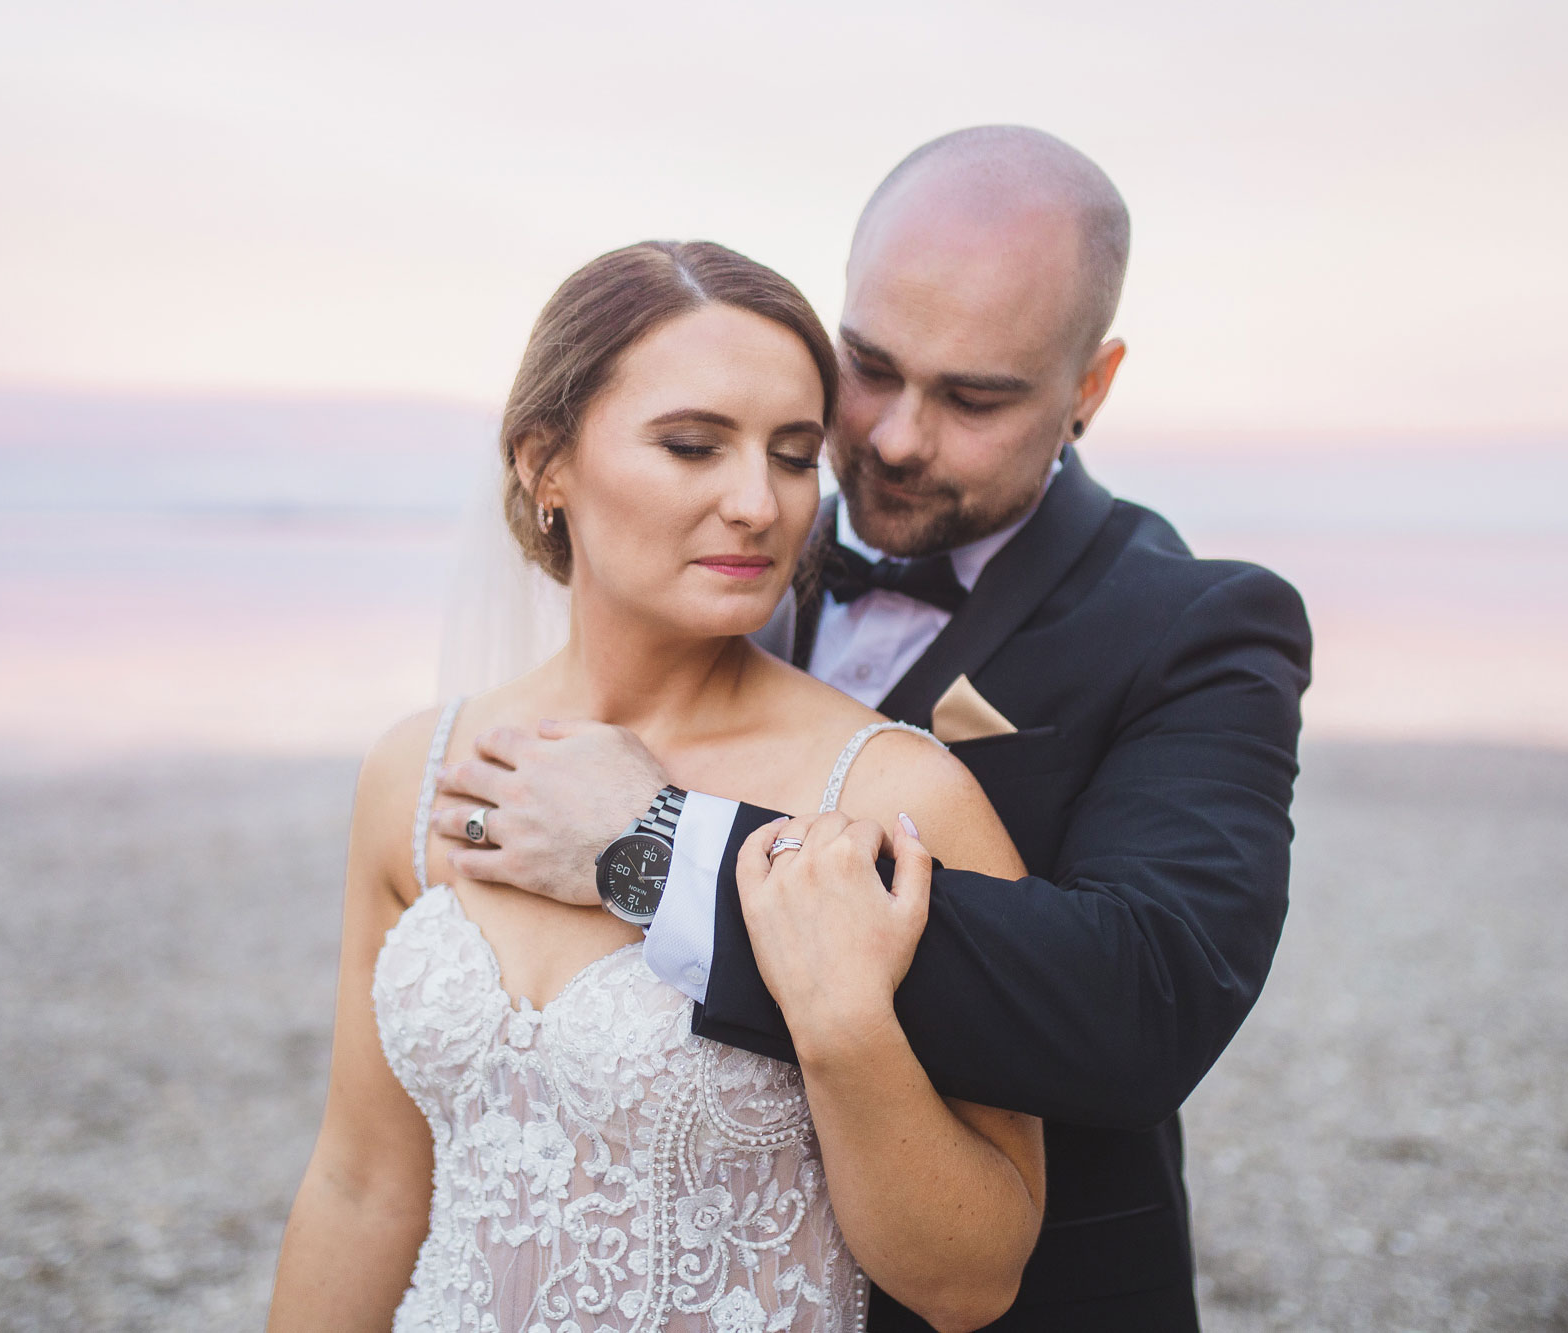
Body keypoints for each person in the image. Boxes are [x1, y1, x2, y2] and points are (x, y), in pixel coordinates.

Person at [428, 127, 1314, 1329]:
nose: (893, 437)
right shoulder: (727, 550)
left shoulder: (1194, 626)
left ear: (1088, 388)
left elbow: (1145, 999)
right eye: (872, 368)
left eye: (974, 397)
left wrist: (658, 846)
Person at [267, 239, 1048, 1333]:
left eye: (789, 456)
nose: (758, 504)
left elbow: (972, 1279)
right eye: (692, 446)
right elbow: (362, 1182)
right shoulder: (421, 770)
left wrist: (837, 1020)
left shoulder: (890, 793)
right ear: (547, 465)